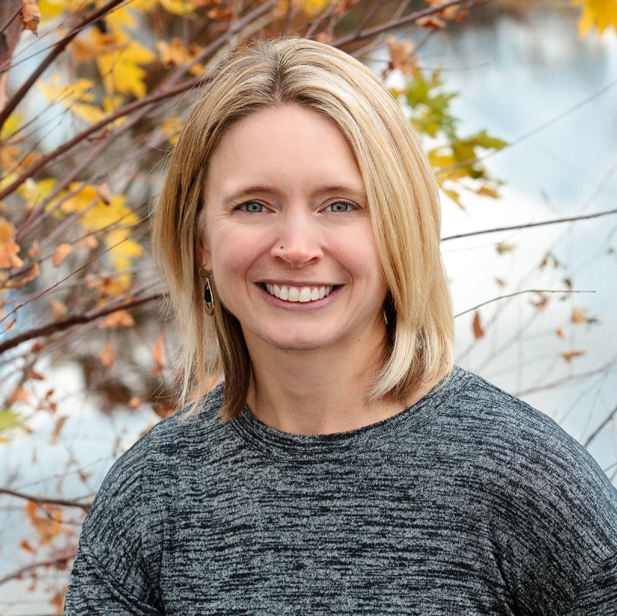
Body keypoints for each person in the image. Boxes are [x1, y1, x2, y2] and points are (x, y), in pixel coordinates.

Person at [64, 38, 617, 615]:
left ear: (397, 229)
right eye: (254, 205)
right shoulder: (152, 496)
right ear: (201, 239)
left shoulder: (528, 482)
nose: (297, 248)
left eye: (340, 205)